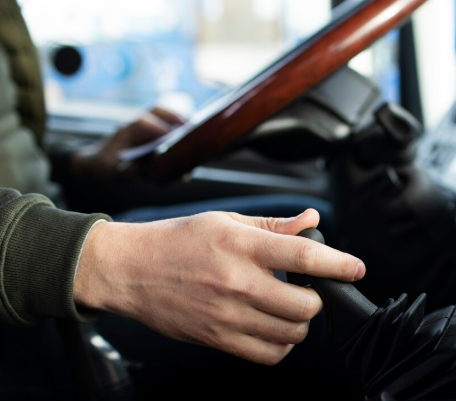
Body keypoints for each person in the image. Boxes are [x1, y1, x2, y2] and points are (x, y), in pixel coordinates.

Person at [0, 0, 365, 366]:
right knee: (318, 317)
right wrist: (115, 264)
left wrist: (82, 167)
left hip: (48, 227)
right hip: (22, 307)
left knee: (313, 239)